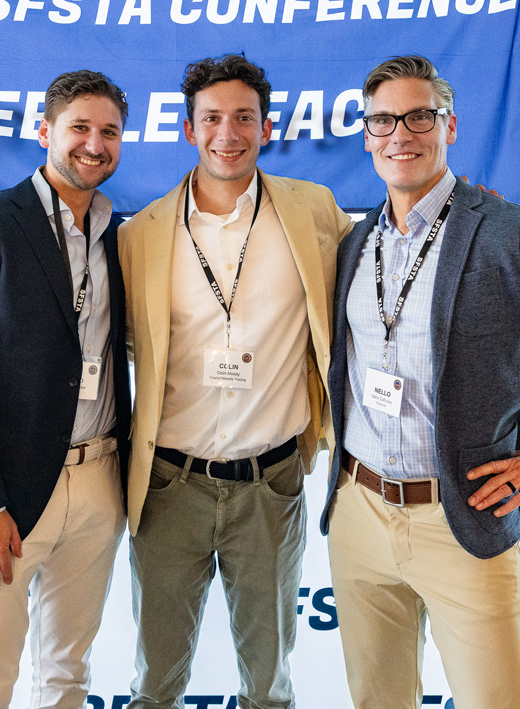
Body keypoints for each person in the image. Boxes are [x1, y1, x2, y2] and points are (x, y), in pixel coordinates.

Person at [320, 55, 520, 709]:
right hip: (359, 513)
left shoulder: (510, 233)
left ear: (449, 126)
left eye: (419, 117)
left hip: (462, 518)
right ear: (366, 135)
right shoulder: (355, 243)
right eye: (383, 120)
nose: (400, 134)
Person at [118, 54, 351, 709]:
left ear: (266, 127)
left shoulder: (314, 210)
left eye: (244, 118)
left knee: (269, 685)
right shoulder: (140, 235)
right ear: (189, 129)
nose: (228, 133)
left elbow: (382, 264)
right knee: (154, 685)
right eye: (212, 118)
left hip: (271, 485)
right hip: (168, 486)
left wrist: (466, 217)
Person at [0, 70, 132, 709]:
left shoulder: (118, 234)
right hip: (3, 497)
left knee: (67, 675)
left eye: (110, 132)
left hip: (99, 482)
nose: (94, 144)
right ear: (45, 132)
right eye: (79, 128)